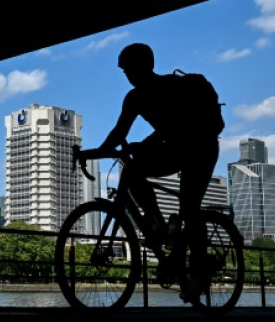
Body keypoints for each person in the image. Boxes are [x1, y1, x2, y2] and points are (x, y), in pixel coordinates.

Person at [83, 42, 220, 258]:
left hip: (201, 148)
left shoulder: (172, 87)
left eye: (129, 69)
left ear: (144, 66)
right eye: (125, 70)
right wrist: (93, 153)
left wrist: (139, 146)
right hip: (177, 149)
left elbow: (175, 127)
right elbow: (119, 133)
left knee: (190, 208)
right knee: (131, 171)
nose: (127, 74)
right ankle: (158, 225)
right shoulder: (135, 97)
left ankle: (198, 270)